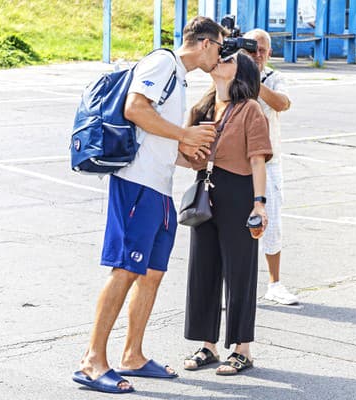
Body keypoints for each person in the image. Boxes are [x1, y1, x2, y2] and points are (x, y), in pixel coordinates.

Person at [72, 16, 225, 394]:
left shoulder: (179, 76)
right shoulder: (163, 62)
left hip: (160, 188)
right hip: (136, 186)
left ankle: (132, 356)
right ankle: (92, 362)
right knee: (125, 269)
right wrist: (184, 134)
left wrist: (186, 153)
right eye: (220, 47)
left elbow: (152, 133)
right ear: (205, 43)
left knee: (152, 274)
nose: (220, 56)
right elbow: (135, 109)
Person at [182, 52, 272, 376]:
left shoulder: (250, 109)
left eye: (229, 59)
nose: (220, 61)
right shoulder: (203, 107)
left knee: (239, 272)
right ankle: (208, 345)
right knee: (203, 269)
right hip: (205, 190)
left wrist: (259, 204)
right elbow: (186, 153)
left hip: (239, 192)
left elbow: (258, 160)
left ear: (241, 71)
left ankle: (242, 349)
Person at [244, 29, 298, 305]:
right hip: (237, 163)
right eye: (251, 49)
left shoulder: (275, 78)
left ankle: (274, 283)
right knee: (236, 226)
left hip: (269, 162)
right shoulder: (232, 74)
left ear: (270, 53)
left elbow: (283, 103)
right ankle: (236, 284)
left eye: (262, 50)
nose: (257, 55)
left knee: (271, 223)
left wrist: (254, 81)